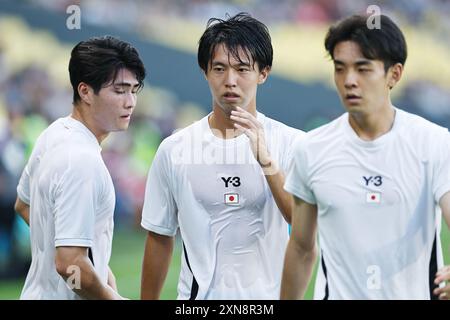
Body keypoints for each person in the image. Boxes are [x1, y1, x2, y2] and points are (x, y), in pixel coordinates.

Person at [281, 14, 450, 300]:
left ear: (394, 74)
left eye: (363, 69)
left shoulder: (433, 142)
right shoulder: (310, 148)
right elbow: (300, 246)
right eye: (340, 68)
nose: (349, 81)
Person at [140, 12, 303, 300]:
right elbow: (159, 236)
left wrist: (265, 159)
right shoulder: (175, 149)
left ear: (263, 73)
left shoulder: (292, 143)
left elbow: (304, 229)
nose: (230, 80)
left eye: (242, 69)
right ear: (205, 71)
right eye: (219, 68)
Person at [14, 35, 146, 299]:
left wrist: (93, 260)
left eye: (134, 89)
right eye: (119, 90)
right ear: (85, 91)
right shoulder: (82, 161)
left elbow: (24, 205)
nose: (130, 101)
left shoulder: (53, 134)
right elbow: (69, 264)